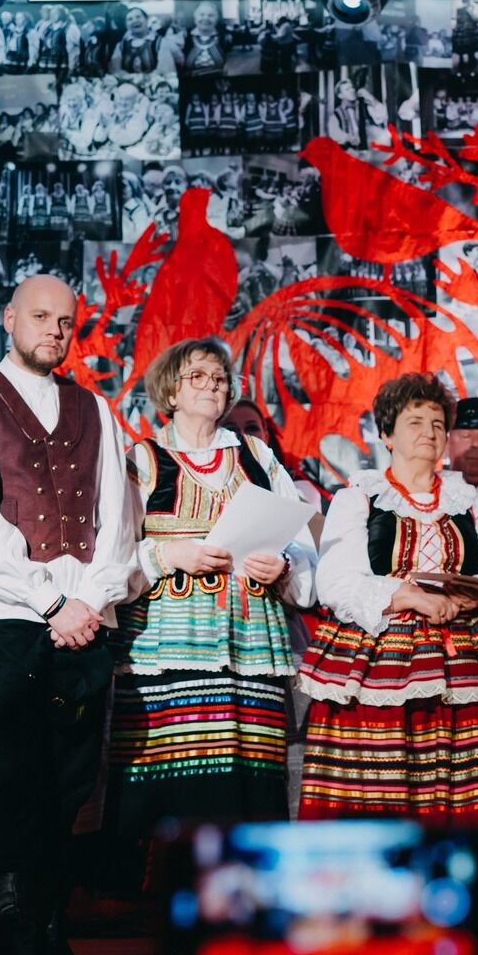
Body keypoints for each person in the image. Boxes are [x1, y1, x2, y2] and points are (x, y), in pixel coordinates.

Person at [0, 274, 139, 955]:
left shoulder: (96, 408)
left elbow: (118, 524)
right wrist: (51, 600)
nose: (55, 329)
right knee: (10, 780)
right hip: (3, 617)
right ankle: (12, 938)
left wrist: (88, 602)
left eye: (66, 321)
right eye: (41, 316)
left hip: (83, 621)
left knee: (67, 784)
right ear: (9, 318)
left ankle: (50, 929)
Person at [107, 340, 315, 836]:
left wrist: (282, 565)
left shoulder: (257, 456)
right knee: (173, 791)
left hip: (249, 653)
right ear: (171, 392)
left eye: (219, 378)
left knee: (248, 789)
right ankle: (159, 882)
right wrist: (167, 556)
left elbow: (302, 548)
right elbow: (110, 558)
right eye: (197, 376)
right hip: (167, 657)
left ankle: (245, 881)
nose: (211, 386)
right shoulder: (143, 460)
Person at [298, 374, 478, 824]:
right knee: (381, 783)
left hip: (464, 660)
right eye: (415, 422)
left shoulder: (465, 499)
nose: (429, 432)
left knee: (462, 782)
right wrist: (406, 595)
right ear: (387, 434)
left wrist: (475, 595)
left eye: (438, 423)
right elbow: (336, 581)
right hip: (382, 658)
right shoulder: (360, 497)